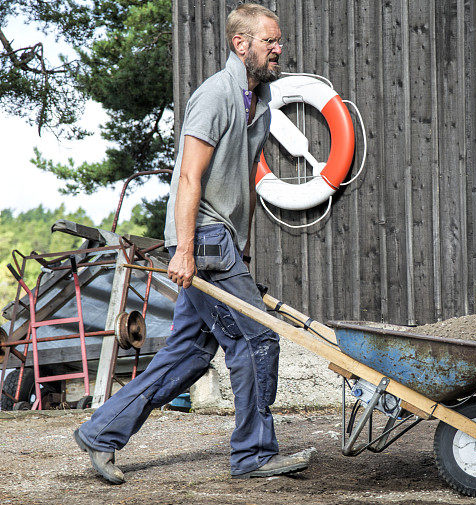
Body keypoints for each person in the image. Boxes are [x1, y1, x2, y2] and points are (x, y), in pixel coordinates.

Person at [74, 3, 311, 483]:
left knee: (189, 353)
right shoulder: (214, 96)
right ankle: (254, 454)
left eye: (279, 41)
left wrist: (240, 245)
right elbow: (188, 177)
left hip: (221, 239)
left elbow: (243, 178)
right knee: (256, 337)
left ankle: (102, 432)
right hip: (201, 238)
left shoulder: (260, 102)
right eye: (270, 41)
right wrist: (183, 249)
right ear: (240, 44)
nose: (278, 49)